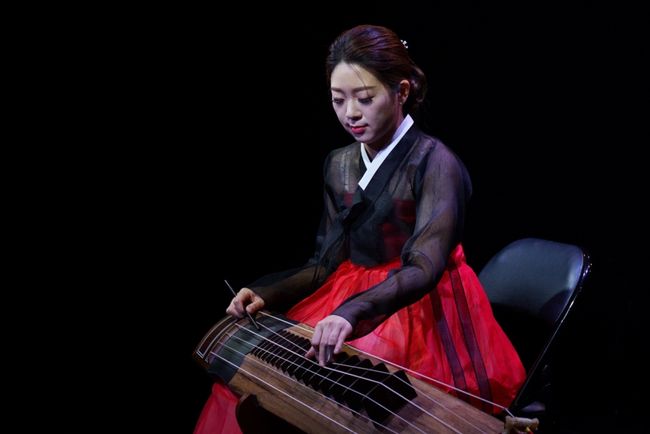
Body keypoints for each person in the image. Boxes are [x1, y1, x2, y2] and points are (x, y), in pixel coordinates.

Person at [194, 24, 525, 434]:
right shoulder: (339, 164)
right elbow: (325, 262)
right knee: (250, 390)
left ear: (401, 92)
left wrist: (352, 313)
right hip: (349, 293)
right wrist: (267, 293)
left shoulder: (435, 163)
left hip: (414, 302)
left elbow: (424, 266)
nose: (350, 112)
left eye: (365, 99)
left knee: (353, 405)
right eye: (338, 100)